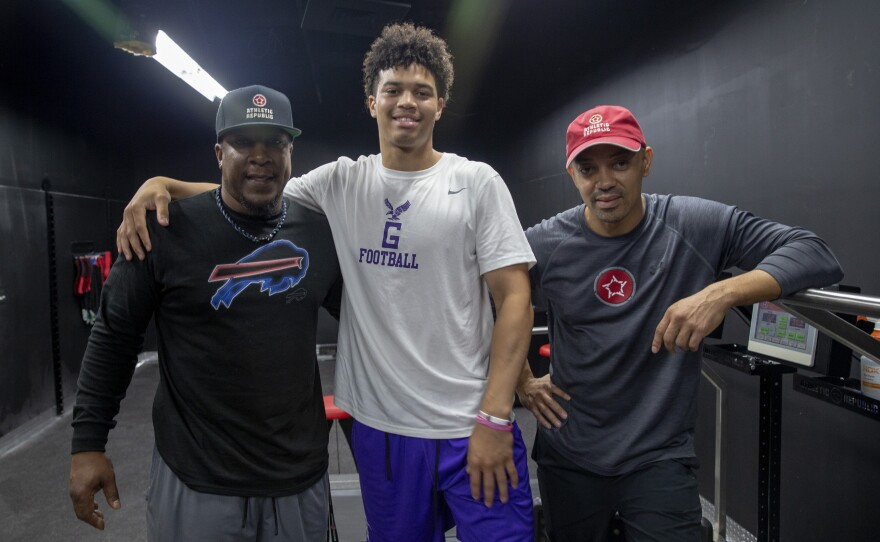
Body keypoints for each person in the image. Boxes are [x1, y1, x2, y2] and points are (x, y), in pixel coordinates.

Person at [114, 23, 535, 542]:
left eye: (422, 92)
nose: (407, 102)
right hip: (382, 428)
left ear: (440, 105)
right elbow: (253, 186)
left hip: (470, 421)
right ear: (371, 101)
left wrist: (496, 415)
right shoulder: (340, 181)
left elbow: (515, 298)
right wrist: (162, 184)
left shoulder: (475, 182)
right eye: (394, 90)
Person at [515, 105, 844, 541]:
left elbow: (814, 252)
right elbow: (482, 301)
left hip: (659, 455)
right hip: (570, 450)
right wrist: (522, 382)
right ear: (572, 174)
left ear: (646, 161)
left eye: (620, 162)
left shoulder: (692, 224)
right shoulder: (545, 242)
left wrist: (722, 292)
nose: (605, 181)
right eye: (588, 168)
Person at [68, 85, 343, 542]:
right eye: (243, 142)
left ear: (291, 152)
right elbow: (113, 338)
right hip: (197, 479)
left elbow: (370, 315)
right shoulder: (164, 231)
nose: (261, 156)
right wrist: (87, 446)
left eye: (275, 142)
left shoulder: (317, 232)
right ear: (219, 152)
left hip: (299, 478)